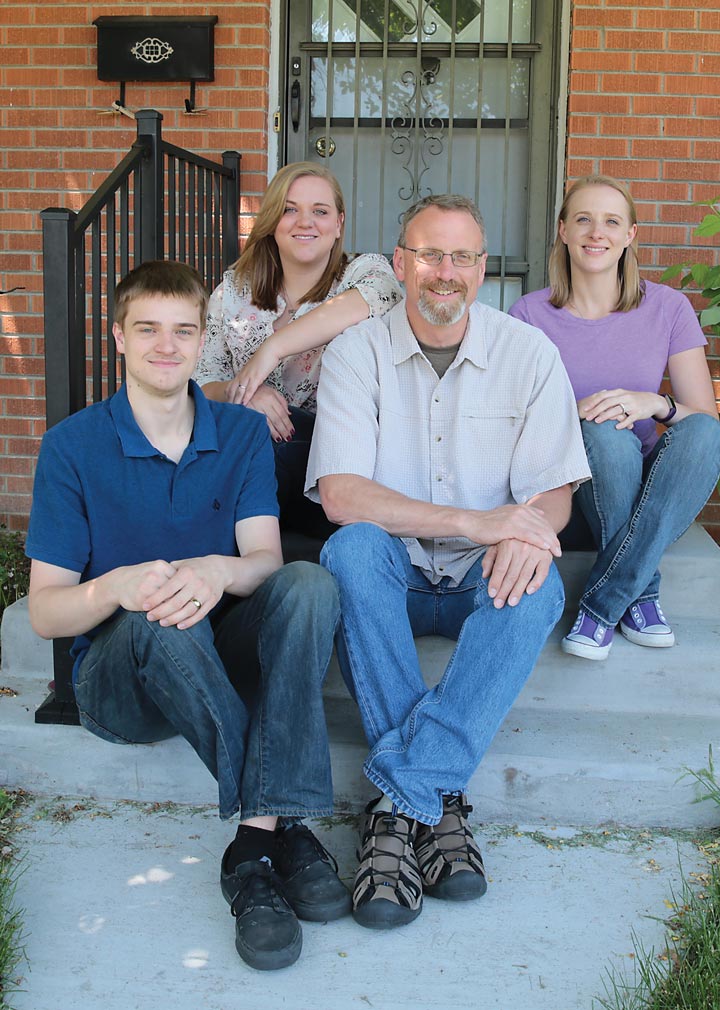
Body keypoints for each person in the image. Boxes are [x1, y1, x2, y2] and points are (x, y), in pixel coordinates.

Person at [25, 260, 349, 972]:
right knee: (150, 614)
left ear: (202, 338)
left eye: (182, 331)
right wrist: (118, 586)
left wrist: (215, 571)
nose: (166, 347)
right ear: (118, 336)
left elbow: (264, 559)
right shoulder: (72, 448)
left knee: (309, 585)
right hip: (123, 685)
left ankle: (252, 847)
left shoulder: (236, 434)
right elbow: (45, 614)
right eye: (148, 330)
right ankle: (281, 826)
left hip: (213, 658)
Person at [305, 194, 591, 930]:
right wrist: (475, 519)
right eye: (430, 254)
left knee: (537, 588)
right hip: (393, 571)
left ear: (482, 267)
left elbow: (552, 493)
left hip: (478, 578)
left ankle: (402, 802)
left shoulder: (527, 354)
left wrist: (525, 533)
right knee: (352, 548)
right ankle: (442, 805)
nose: (445, 272)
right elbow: (339, 493)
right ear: (399, 263)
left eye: (462, 256)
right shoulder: (354, 351)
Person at [509, 175, 720, 661]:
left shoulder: (669, 307)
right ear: (563, 231)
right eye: (583, 219)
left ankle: (603, 606)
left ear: (630, 235)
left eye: (611, 221)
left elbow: (703, 418)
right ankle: (640, 594)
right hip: (576, 493)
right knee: (603, 431)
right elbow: (514, 424)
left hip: (654, 490)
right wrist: (575, 417)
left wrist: (654, 403)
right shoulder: (528, 315)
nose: (596, 232)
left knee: (705, 432)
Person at [196, 162, 402, 535]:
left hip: (334, 463)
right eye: (290, 209)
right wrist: (241, 392)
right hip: (258, 460)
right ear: (273, 221)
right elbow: (202, 381)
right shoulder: (234, 291)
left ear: (339, 223)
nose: (305, 222)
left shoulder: (363, 273)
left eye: (319, 211)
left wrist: (272, 348)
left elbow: (380, 296)